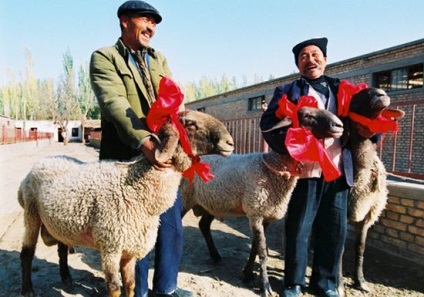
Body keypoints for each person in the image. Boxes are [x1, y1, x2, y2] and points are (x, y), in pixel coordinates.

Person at [89, 1, 193, 297]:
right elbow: (115, 103)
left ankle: (166, 288)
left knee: (171, 225)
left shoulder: (158, 58)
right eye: (145, 20)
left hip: (163, 157)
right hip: (127, 155)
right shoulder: (105, 57)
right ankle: (138, 290)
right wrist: (145, 142)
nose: (151, 27)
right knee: (132, 228)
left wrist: (180, 134)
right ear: (124, 21)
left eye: (155, 23)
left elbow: (172, 97)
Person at [260, 37, 377, 297]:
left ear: (324, 59)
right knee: (299, 229)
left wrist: (371, 131)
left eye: (315, 54)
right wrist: (292, 146)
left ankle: (325, 283)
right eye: (303, 56)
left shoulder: (342, 88)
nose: (310, 59)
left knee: (334, 230)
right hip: (304, 172)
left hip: (337, 171)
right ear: (297, 63)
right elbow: (268, 126)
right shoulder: (287, 91)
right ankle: (293, 283)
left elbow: (365, 120)